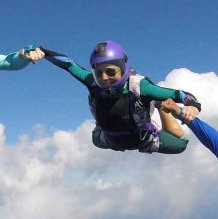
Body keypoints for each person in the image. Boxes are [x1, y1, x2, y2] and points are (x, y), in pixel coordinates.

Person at [42, 41, 202, 154]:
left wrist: (193, 105)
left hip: (142, 139)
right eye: (99, 73)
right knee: (96, 138)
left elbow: (181, 95)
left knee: (181, 145)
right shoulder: (92, 82)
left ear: (123, 68)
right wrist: (42, 52)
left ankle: (160, 106)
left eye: (110, 72)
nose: (104, 77)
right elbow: (69, 65)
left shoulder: (139, 87)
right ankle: (105, 123)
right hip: (108, 139)